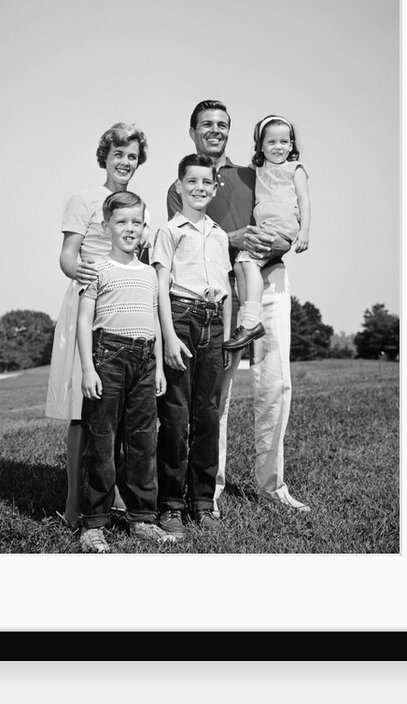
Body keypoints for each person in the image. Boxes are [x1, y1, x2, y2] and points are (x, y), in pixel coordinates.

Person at [166, 100, 310, 514]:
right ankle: (210, 488)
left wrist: (284, 238)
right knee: (218, 391)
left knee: (275, 384)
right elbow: (190, 237)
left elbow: (289, 210)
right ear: (192, 131)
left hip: (271, 280)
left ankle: (272, 486)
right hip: (219, 289)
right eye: (206, 124)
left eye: (222, 124)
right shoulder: (183, 184)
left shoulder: (255, 172)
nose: (215, 130)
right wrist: (237, 238)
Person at [45, 123, 151, 533]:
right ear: (105, 156)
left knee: (121, 412)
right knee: (82, 412)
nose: (125, 162)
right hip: (88, 305)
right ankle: (74, 503)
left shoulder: (137, 207)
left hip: (124, 310)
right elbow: (67, 257)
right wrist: (86, 275)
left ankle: (117, 497)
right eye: (119, 154)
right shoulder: (84, 200)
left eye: (132, 156)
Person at [76, 191, 175, 553]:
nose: (129, 228)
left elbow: (155, 322)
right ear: (107, 227)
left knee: (142, 443)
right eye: (121, 222)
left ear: (145, 227)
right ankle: (94, 524)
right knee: (102, 441)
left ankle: (142, 518)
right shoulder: (97, 269)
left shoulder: (150, 274)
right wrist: (89, 369)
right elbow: (84, 321)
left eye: (136, 222)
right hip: (108, 357)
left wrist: (160, 368)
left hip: (145, 361)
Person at [152, 153, 232, 537]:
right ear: (179, 186)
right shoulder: (169, 231)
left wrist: (228, 338)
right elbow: (161, 289)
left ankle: (202, 503)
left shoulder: (218, 235)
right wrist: (168, 336)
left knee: (208, 416)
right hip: (181, 321)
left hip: (213, 324)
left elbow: (227, 289)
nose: (200, 188)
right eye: (192, 182)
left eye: (206, 182)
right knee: (176, 416)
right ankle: (169, 505)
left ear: (214, 188)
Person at [223, 114, 311, 351]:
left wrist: (304, 232)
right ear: (260, 145)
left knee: (247, 261)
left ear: (292, 144)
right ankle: (248, 318)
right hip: (266, 226)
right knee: (242, 262)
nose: (278, 147)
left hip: (280, 226)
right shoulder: (259, 168)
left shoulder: (295, 169)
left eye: (284, 141)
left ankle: (250, 321)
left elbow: (304, 200)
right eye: (271, 142)